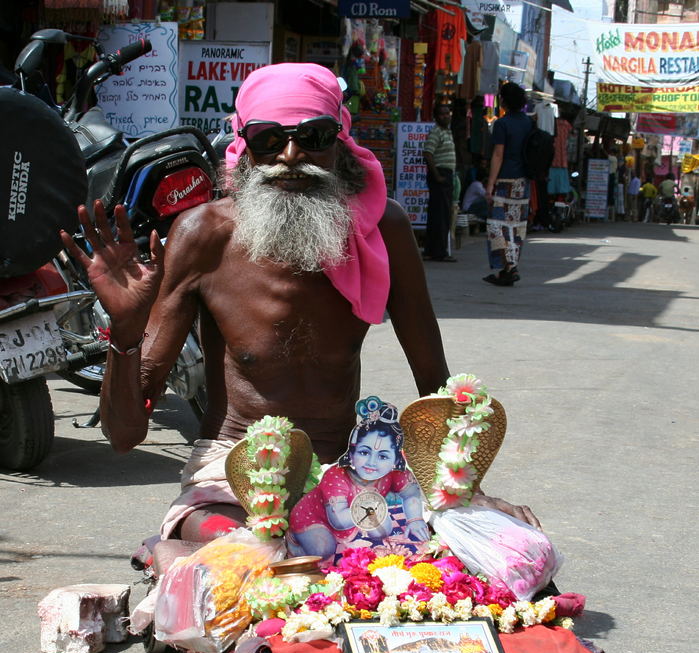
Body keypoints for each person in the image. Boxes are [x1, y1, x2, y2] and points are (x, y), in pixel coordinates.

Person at [61, 62, 539, 547]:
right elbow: (124, 436)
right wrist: (124, 330)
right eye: (269, 139)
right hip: (231, 476)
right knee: (241, 552)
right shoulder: (204, 233)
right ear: (245, 146)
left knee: (508, 551)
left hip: (351, 476)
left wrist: (467, 493)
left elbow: (434, 386)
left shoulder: (384, 229)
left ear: (341, 141)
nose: (290, 155)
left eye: (313, 135)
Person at [286, 397, 428, 566]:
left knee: (382, 533)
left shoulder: (394, 472)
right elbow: (338, 520)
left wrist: (415, 519)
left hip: (357, 515)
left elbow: (411, 493)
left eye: (383, 456)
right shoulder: (336, 475)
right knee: (322, 551)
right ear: (351, 452)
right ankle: (295, 541)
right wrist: (374, 512)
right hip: (315, 518)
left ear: (395, 459)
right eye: (364, 452)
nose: (371, 462)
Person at [483, 82, 531, 287]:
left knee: (497, 226)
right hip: (523, 182)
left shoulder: (502, 124)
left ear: (505, 100)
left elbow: (498, 154)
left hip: (504, 181)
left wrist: (490, 184)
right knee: (516, 227)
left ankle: (507, 268)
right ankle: (510, 267)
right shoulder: (529, 123)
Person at [423, 102, 458, 262]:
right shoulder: (436, 132)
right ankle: (438, 251)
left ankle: (434, 249)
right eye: (442, 114)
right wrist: (437, 175)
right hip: (441, 175)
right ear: (436, 117)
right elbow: (428, 153)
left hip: (446, 175)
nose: (446, 116)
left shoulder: (447, 132)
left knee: (442, 213)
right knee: (440, 214)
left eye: (447, 113)